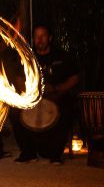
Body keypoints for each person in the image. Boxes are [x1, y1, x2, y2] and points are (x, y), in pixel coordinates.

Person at [10, 24, 80, 165]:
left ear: (50, 38)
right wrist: (31, 92)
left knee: (67, 107)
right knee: (14, 111)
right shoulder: (27, 57)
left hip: (56, 96)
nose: (39, 39)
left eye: (43, 36)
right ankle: (28, 153)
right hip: (33, 97)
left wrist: (57, 88)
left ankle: (56, 154)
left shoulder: (61, 56)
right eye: (36, 36)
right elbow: (18, 79)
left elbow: (75, 77)